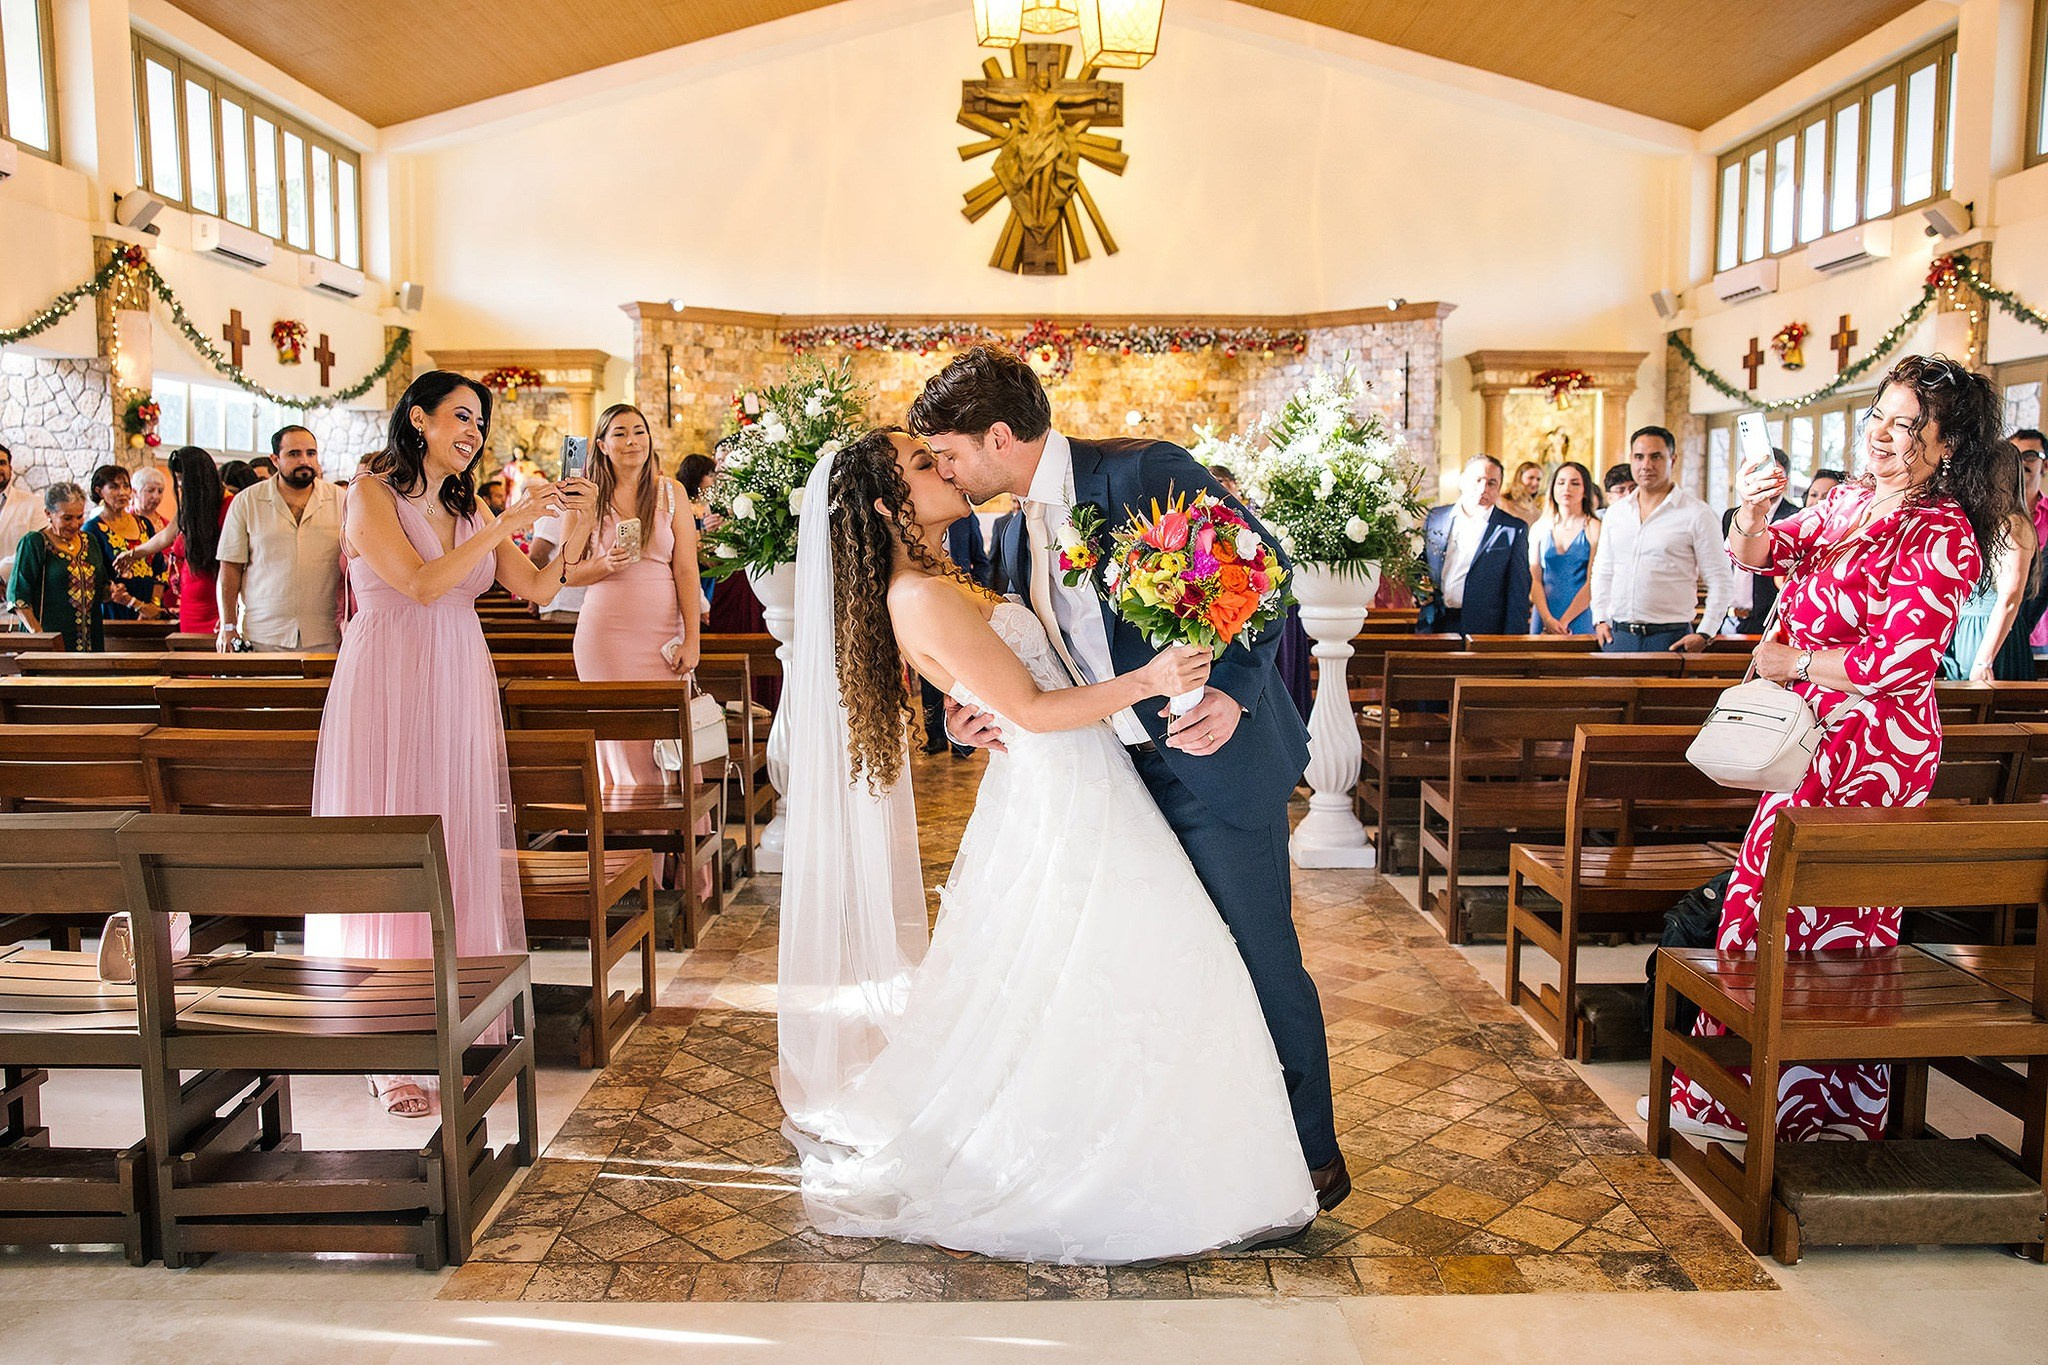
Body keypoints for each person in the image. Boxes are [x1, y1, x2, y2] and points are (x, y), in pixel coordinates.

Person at [778, 422, 1319, 1263]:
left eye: (942, 452)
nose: (945, 469)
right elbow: (1028, 707)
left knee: (1124, 969)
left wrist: (966, 704)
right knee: (1132, 969)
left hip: (1088, 779)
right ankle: (1138, 1157)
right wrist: (1145, 682)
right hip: (1069, 787)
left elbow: (1013, 672)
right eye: (925, 465)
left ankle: (1226, 1147)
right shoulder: (916, 593)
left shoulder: (952, 566)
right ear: (889, 504)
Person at [910, 345, 1347, 1221]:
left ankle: (1311, 1156)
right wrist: (964, 721)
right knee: (1180, 971)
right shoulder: (999, 532)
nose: (947, 472)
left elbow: (1265, 576)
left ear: (1000, 436)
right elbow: (1025, 662)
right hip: (1112, 776)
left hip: (1211, 760)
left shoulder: (1143, 472)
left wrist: (1232, 690)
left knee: (1260, 957)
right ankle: (1212, 1148)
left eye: (950, 453)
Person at [1663, 355, 2009, 1144]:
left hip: (1875, 749)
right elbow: (1764, 555)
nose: (1883, 436)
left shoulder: (1942, 528)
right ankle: (1738, 1101)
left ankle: (1821, 1118)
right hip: (1812, 739)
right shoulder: (1853, 499)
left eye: (1905, 426)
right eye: (1877, 418)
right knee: (1761, 911)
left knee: (1838, 930)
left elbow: (1905, 662)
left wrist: (1795, 662)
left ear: (1947, 443)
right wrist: (1751, 516)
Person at [305, 370, 594, 1118]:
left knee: (454, 840)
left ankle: (447, 1029)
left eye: (479, 422)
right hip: (387, 684)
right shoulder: (372, 490)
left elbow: (534, 590)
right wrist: (508, 519)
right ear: (419, 418)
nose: (471, 432)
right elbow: (422, 583)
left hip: (458, 682)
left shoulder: (471, 504)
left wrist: (569, 525)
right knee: (391, 841)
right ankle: (387, 1045)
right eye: (460, 417)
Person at [560, 403, 704, 790]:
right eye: (620, 433)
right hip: (605, 638)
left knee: (667, 735)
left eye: (639, 431)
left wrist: (693, 639)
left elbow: (687, 570)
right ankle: (626, 845)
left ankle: (672, 845)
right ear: (602, 445)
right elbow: (566, 571)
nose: (632, 441)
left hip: (662, 636)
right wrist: (606, 564)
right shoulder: (584, 497)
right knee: (618, 739)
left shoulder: (671, 493)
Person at [1589, 427, 1731, 653]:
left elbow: (1720, 578)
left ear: (1672, 460)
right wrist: (1600, 618)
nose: (1646, 465)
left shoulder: (1697, 513)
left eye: (1656, 456)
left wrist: (1705, 632)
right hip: (1618, 635)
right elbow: (1603, 570)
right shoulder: (1616, 513)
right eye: (1639, 457)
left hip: (1670, 637)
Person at [216, 425, 345, 652]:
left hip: (326, 632)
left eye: (311, 453)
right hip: (264, 633)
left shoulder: (341, 500)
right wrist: (228, 625)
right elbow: (230, 568)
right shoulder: (247, 502)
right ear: (275, 459)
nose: (304, 460)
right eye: (294, 454)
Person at [1941, 442, 2039, 681]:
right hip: (1966, 631)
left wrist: (1985, 659)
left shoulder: (2012, 524)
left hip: (1991, 638)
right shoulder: (1982, 522)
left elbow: (2009, 598)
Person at [116, 448, 232, 636]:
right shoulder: (192, 506)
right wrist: (134, 554)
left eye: (182, 479)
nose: (179, 485)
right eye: (177, 479)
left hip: (217, 601)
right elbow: (165, 537)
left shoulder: (231, 505)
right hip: (191, 602)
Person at [1418, 455, 1531, 635]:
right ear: (1462, 480)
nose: (1483, 489)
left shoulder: (1512, 529)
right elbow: (1420, 563)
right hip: (1435, 622)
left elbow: (1518, 593)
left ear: (1499, 488)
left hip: (1483, 628)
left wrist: (1513, 644)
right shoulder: (1436, 517)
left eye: (1491, 483)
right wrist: (1419, 591)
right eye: (1477, 480)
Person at [919, 512, 992, 756]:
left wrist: (974, 590)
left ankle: (964, 742)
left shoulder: (966, 520)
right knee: (931, 680)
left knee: (963, 676)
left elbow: (981, 560)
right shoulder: (918, 521)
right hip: (928, 610)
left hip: (965, 606)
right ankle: (936, 737)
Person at [8, 482, 111, 651]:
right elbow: (18, 597)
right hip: (49, 643)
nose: (75, 524)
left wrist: (113, 591)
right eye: (67, 518)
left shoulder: (90, 541)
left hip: (90, 643)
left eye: (79, 517)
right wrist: (39, 637)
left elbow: (101, 589)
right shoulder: (34, 543)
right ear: (48, 513)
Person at [1719, 448, 1800, 633]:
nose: (1760, 479)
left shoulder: (1795, 517)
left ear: (1784, 480)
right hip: (1729, 617)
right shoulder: (1731, 516)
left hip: (1769, 621)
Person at [82, 465, 167, 623]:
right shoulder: (92, 529)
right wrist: (138, 606)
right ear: (99, 491)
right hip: (115, 612)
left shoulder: (144, 524)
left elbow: (159, 568)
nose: (122, 492)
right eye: (114, 487)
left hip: (151, 612)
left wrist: (153, 606)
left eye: (126, 486)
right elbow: (98, 579)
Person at [1528, 461, 1599, 635]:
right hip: (1545, 613)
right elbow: (1534, 579)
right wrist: (1547, 619)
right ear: (1552, 488)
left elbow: (1594, 582)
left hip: (1580, 613)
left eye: (1575, 483)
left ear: (1585, 490)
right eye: (1561, 482)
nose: (1567, 488)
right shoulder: (1539, 527)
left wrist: (1564, 621)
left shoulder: (1594, 527)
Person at [0, 443, 46, 589]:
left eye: (2, 463)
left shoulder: (33, 503)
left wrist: (1, 575)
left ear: (10, 468)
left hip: (14, 596)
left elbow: (39, 545)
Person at [678, 452, 718, 618]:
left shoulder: (703, 505)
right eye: (709, 475)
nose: (713, 479)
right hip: (697, 575)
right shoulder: (691, 509)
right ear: (697, 477)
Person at [1500, 459, 1544, 523]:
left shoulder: (1537, 509)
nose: (1535, 483)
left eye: (1538, 479)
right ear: (1519, 478)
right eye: (1531, 478)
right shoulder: (1503, 503)